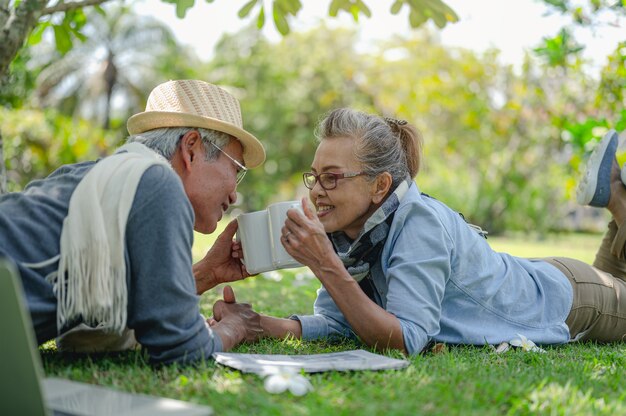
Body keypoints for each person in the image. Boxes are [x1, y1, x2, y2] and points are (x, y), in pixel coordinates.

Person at [217, 107, 626, 355]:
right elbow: (342, 323)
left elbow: (406, 339)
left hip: (568, 301)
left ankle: (617, 201)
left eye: (333, 178)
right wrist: (260, 324)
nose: (317, 193)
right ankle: (616, 200)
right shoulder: (352, 237)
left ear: (380, 186)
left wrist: (324, 264)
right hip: (543, 274)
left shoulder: (419, 223)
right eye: (315, 177)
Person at [0, 79, 265, 364]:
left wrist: (207, 274)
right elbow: (182, 350)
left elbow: (89, 335)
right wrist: (235, 326)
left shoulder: (89, 177)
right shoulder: (159, 184)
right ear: (191, 149)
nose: (235, 194)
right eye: (235, 169)